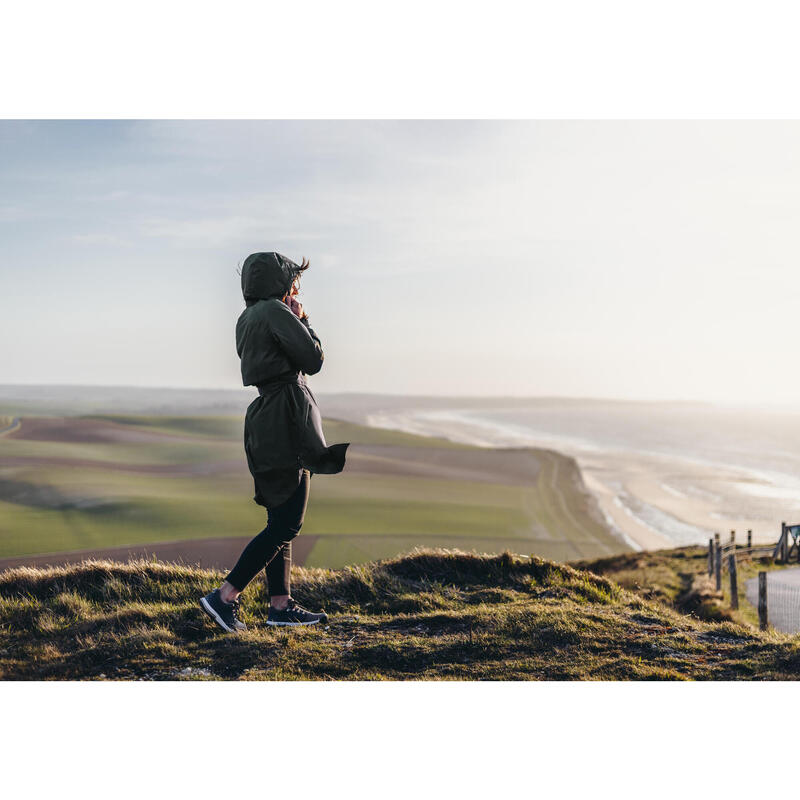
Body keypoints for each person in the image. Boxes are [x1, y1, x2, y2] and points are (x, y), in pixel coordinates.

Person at [200, 252, 349, 632]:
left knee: (279, 517)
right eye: (292, 284)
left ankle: (279, 608)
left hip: (268, 418)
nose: (294, 291)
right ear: (281, 284)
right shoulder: (274, 311)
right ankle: (224, 597)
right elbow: (313, 359)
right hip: (285, 419)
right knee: (287, 524)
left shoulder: (246, 318)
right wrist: (302, 318)